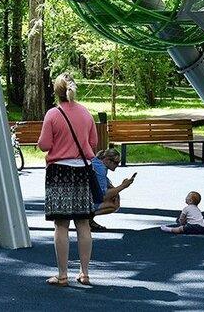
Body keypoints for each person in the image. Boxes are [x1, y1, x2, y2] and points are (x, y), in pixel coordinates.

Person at [37, 73, 99, 287]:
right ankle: (85, 273)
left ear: (56, 92)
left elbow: (44, 145)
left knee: (61, 224)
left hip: (59, 172)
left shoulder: (53, 114)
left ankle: (62, 275)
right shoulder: (85, 113)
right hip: (82, 171)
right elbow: (93, 142)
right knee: (83, 223)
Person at [88, 148, 136, 232]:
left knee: (114, 195)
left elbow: (106, 184)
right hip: (85, 199)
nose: (117, 165)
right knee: (114, 205)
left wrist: (115, 190)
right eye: (116, 162)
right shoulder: (100, 169)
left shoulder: (97, 163)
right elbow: (102, 196)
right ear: (107, 160)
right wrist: (123, 186)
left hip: (84, 195)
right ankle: (84, 217)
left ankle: (88, 220)